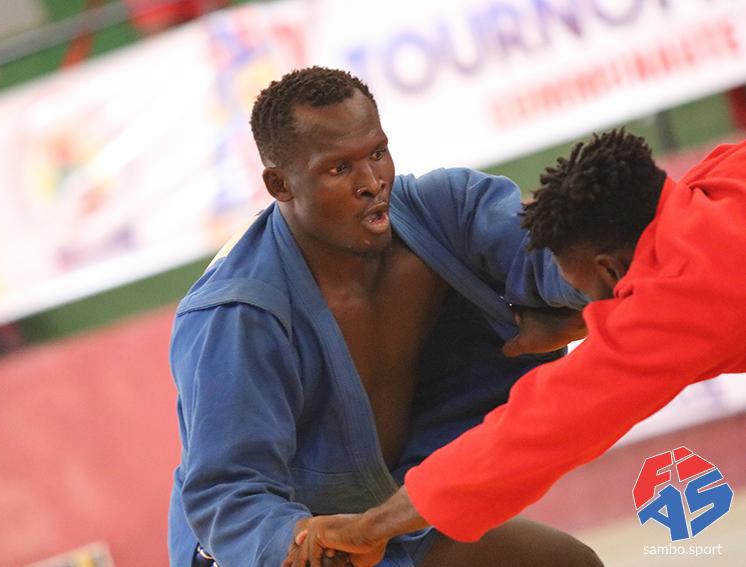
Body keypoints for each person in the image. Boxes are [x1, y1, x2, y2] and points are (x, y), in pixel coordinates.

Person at [169, 66, 601, 567]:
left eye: (377, 153)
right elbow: (227, 490)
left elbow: (552, 257)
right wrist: (301, 544)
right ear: (280, 184)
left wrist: (591, 288)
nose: (372, 183)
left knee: (568, 563)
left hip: (390, 520)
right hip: (277, 549)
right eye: (339, 168)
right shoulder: (236, 315)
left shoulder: (445, 210)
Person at [287, 129, 746, 566]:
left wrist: (368, 528)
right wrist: (579, 323)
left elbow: (527, 436)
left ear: (610, 268)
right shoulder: (724, 172)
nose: (596, 307)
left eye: (584, 289)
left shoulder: (674, 302)